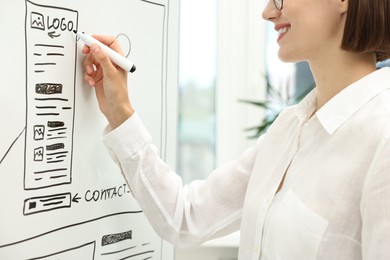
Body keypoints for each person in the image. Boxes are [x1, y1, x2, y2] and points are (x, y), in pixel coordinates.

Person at [81, 0, 390, 258]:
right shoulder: (289, 127)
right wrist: (120, 112)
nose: (268, 11)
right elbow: (183, 219)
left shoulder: (382, 136)